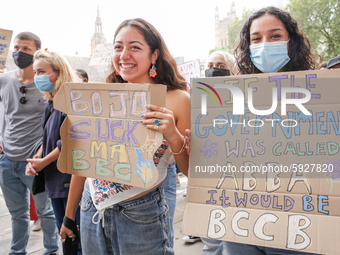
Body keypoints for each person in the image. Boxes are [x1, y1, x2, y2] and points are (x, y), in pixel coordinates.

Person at [60, 18, 190, 255]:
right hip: (92, 209)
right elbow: (84, 162)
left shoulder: (178, 100)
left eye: (135, 47)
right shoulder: (99, 97)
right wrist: (69, 215)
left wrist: (172, 134)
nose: (124, 54)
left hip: (141, 215)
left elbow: (190, 169)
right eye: (118, 47)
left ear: (154, 55)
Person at [223, 6, 319, 255]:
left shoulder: (322, 94)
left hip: (300, 225)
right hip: (241, 225)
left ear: (292, 41)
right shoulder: (232, 100)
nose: (265, 44)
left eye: (275, 36)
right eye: (256, 38)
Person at [0, 32, 59, 255]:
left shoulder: (47, 84)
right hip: (7, 160)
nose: (19, 52)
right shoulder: (4, 80)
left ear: (37, 53)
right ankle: (17, 252)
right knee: (17, 214)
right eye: (17, 47)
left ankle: (51, 250)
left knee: (46, 213)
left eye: (26, 49)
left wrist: (41, 156)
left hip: (36, 162)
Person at [25, 50, 82, 255]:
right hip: (54, 178)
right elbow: (47, 136)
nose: (37, 77)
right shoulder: (52, 101)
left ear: (59, 72)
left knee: (73, 236)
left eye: (42, 71)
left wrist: (44, 162)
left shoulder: (73, 99)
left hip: (69, 179)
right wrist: (38, 157)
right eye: (35, 72)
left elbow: (71, 140)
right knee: (65, 234)